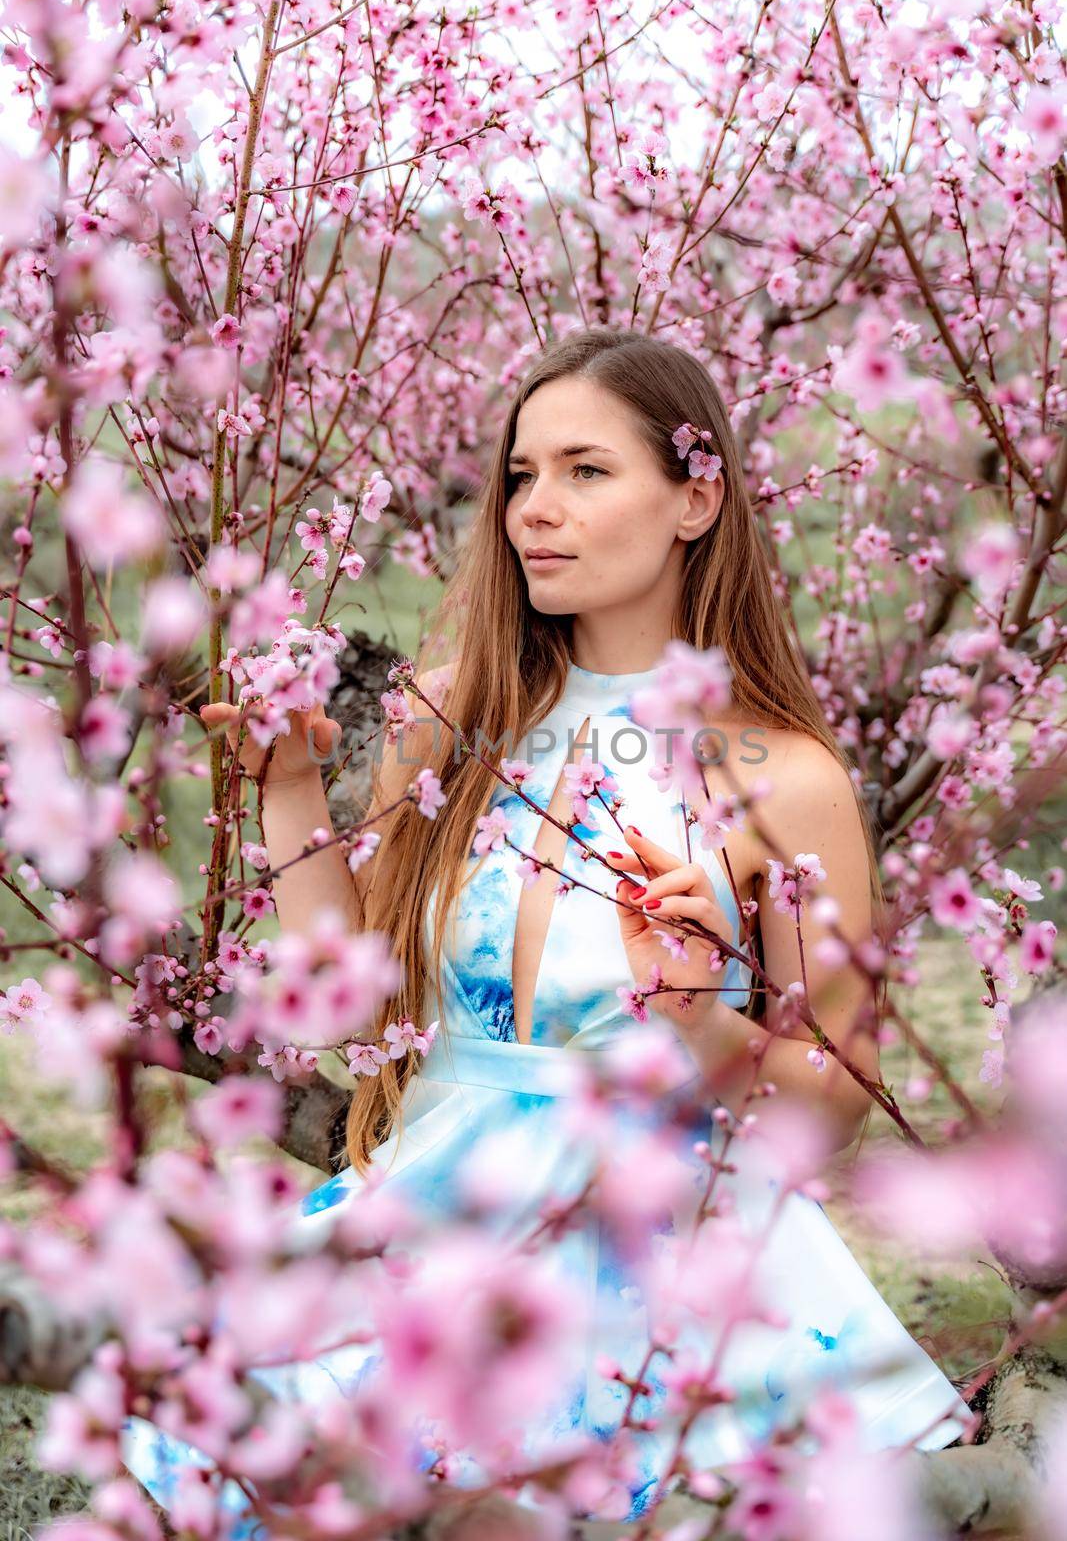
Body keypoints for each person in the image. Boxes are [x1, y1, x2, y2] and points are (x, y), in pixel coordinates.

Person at [122, 327, 974, 1527]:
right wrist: (291, 795)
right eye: (521, 476)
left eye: (584, 471)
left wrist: (695, 1018)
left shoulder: (782, 779)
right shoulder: (444, 731)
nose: (535, 509)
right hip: (436, 1201)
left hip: (656, 1258)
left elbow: (831, 1101)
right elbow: (361, 1013)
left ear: (694, 496)